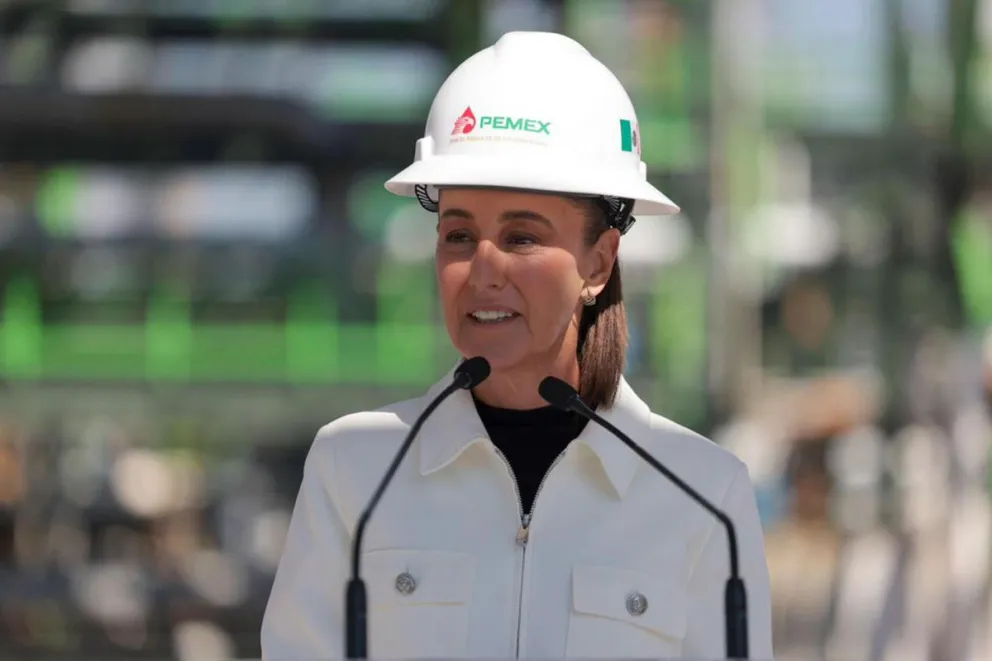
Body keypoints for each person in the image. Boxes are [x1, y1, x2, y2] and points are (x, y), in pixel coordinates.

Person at [261, 31, 773, 660]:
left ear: (599, 263)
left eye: (523, 238)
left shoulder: (703, 495)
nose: (483, 269)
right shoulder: (354, 468)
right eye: (458, 235)